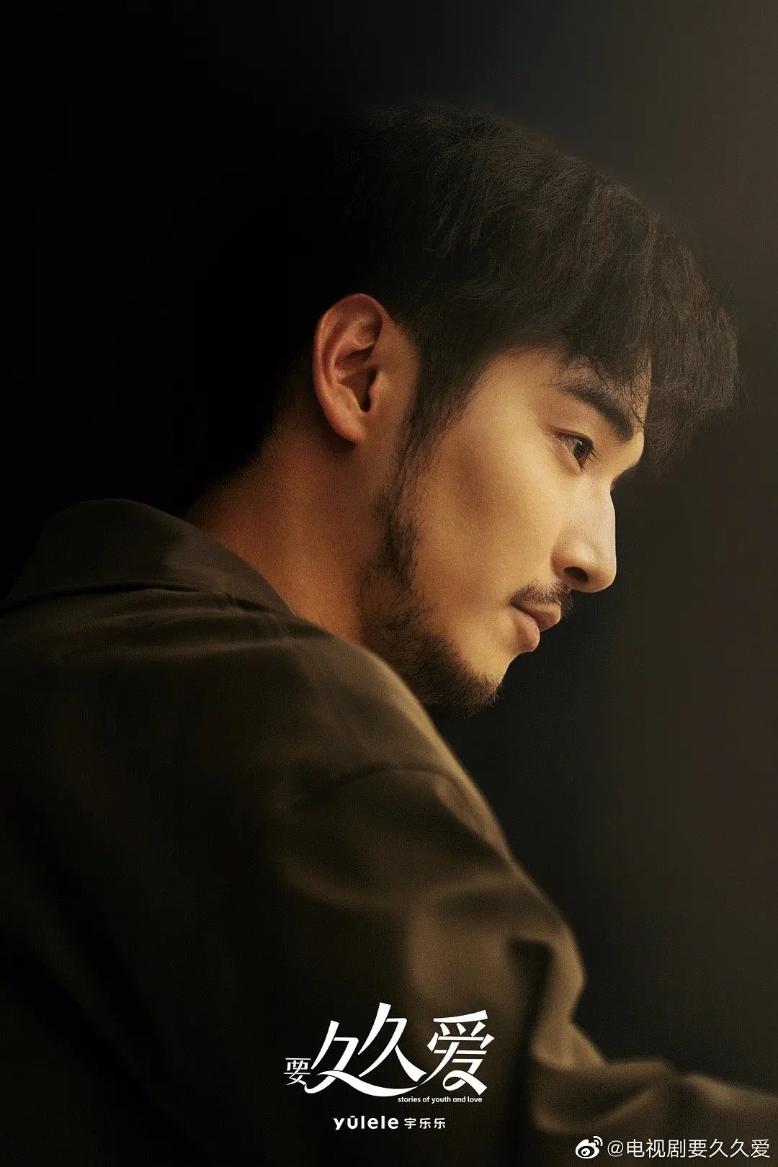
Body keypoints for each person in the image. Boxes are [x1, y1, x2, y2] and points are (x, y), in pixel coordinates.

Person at [2, 100, 776, 1165]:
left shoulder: (65, 656)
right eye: (574, 444)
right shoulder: (280, 717)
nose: (597, 555)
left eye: (615, 483)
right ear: (360, 372)